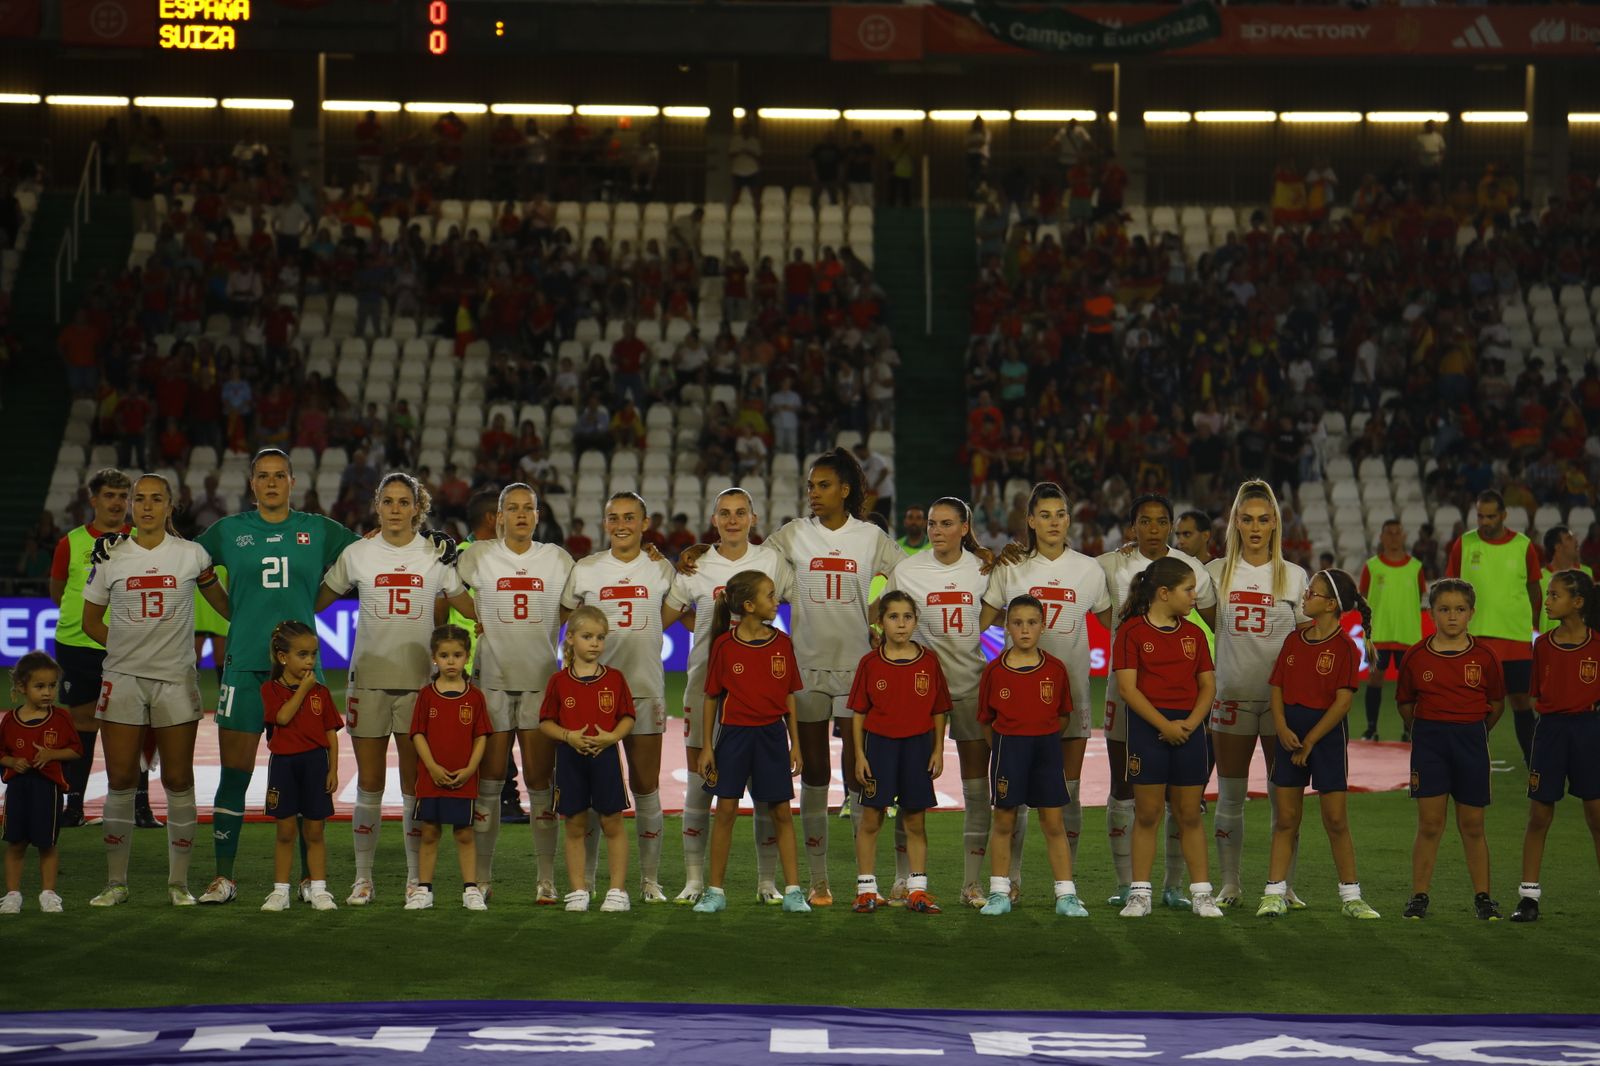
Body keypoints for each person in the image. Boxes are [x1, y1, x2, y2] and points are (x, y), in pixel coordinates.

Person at [680, 448, 903, 905]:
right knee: (815, 771)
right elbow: (743, 562)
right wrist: (702, 552)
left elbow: (906, 574)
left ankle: (868, 882)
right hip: (803, 669)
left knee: (861, 774)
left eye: (823, 486)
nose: (814, 494)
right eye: (810, 487)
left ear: (845, 489)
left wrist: (879, 617)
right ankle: (818, 881)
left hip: (859, 666)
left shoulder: (871, 537)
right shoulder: (792, 536)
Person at [190, 449, 362, 904]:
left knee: (308, 774)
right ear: (252, 484)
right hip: (245, 665)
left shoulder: (318, 529)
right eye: (262, 476)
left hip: (304, 671)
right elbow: (189, 561)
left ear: (292, 482)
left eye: (278, 476)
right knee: (235, 774)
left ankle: (309, 881)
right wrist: (235, 612)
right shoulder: (229, 531)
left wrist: (312, 606)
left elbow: (367, 552)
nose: (271, 483)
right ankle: (224, 879)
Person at [316, 472, 476, 906]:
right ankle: (362, 879)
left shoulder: (434, 554)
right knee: (369, 783)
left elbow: (471, 605)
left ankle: (413, 880)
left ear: (417, 509)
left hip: (417, 685)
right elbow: (317, 599)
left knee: (412, 786)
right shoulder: (358, 553)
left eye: (404, 502)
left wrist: (456, 561)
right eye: (388, 501)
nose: (395, 509)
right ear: (377, 506)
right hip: (367, 680)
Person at [82, 474, 228, 908]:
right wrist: (130, 650)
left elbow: (226, 606)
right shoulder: (110, 556)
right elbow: (91, 621)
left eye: (155, 499)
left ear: (170, 506)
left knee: (179, 779)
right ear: (130, 506)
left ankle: (178, 885)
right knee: (121, 778)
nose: (145, 506)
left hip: (176, 679)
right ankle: (115, 883)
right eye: (138, 499)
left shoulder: (192, 555)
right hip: (123, 678)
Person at [663, 488, 792, 905]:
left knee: (765, 793)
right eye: (725, 514)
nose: (733, 520)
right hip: (706, 688)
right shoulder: (697, 564)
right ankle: (696, 880)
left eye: (740, 513)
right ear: (714, 520)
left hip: (758, 698)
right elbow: (667, 613)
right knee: (703, 785)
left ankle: (767, 882)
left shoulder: (770, 560)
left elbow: (790, 599)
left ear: (753, 518)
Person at [982, 483, 1111, 887]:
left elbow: (1114, 624)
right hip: (1017, 702)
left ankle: (1066, 884)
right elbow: (980, 620)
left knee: (1067, 794)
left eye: (1061, 514)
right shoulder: (1011, 567)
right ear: (1031, 520)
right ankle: (1013, 880)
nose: (1054, 522)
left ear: (1069, 519)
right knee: (1013, 799)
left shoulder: (1089, 570)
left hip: (1069, 696)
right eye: (1046, 514)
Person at [1098, 496, 1217, 910]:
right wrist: (1165, 725)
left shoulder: (1194, 630)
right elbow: (1129, 687)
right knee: (1135, 801)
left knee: (1188, 810)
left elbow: (1208, 683)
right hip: (1142, 722)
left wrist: (1191, 722)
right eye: (1144, 521)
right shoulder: (1112, 572)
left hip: (1188, 726)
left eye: (1162, 521)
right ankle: (1134, 889)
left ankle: (1186, 889)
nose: (1154, 528)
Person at [457, 483, 573, 904]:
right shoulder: (477, 557)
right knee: (489, 782)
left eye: (529, 509)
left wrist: (550, 625)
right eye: (513, 509)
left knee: (540, 783)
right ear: (499, 516)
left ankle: (545, 879)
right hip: (491, 681)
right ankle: (482, 880)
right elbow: (448, 588)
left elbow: (574, 603)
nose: (522, 515)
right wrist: (481, 616)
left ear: (537, 516)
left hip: (541, 680)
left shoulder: (556, 559)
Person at [560, 491, 676, 904]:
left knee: (646, 787)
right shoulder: (586, 569)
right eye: (613, 518)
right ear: (604, 523)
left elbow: (682, 611)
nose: (622, 524)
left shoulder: (663, 570)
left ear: (645, 524)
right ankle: (586, 882)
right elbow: (562, 624)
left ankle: (649, 880)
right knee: (592, 793)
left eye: (630, 517)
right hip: (591, 698)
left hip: (644, 691)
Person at [1205, 480, 1310, 908]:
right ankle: (1230, 883)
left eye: (1263, 520)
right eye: (1246, 519)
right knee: (1231, 796)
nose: (1255, 527)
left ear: (1275, 525)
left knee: (1284, 800)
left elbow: (1307, 640)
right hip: (1231, 695)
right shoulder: (1214, 573)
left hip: (1281, 705)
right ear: (1235, 523)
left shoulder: (1295, 575)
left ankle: (1284, 885)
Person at [882, 498, 989, 907]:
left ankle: (972, 884)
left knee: (977, 790)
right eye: (931, 523)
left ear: (965, 528)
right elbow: (891, 617)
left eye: (946, 523)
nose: (937, 530)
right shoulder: (908, 570)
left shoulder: (983, 570)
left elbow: (1000, 613)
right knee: (907, 794)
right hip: (917, 695)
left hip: (969, 689)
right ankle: (901, 879)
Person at [1258, 569, 1381, 920]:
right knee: (1286, 819)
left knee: (1336, 819)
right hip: (1290, 735)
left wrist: (1310, 741)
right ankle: (1274, 893)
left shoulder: (1344, 647)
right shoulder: (1295, 639)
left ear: (1330, 604)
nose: (1305, 594)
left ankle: (1351, 896)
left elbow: (1342, 703)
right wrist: (1281, 728)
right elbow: (1277, 687)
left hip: (1324, 740)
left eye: (1313, 592)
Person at [692, 570, 809, 914]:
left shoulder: (782, 644)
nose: (776, 601)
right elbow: (712, 697)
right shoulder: (724, 646)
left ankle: (793, 891)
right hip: (734, 735)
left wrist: (795, 743)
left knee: (782, 812)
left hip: (772, 736)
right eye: (770, 595)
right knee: (725, 811)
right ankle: (715, 891)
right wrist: (707, 746)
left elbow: (789, 696)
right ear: (748, 605)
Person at [1397, 578, 1505, 921]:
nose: (1452, 617)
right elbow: (1405, 703)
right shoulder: (1415, 655)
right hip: (1430, 742)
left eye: (1460, 610)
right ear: (1431, 613)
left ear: (1472, 613)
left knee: (1473, 824)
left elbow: (1496, 703)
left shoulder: (1485, 656)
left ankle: (1483, 897)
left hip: (1470, 741)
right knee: (1430, 823)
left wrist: (1473, 730)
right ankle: (1418, 897)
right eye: (1444, 609)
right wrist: (1427, 731)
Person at [974, 595, 1085, 918]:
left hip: (1047, 749)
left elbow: (1063, 716)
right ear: (1007, 627)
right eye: (1018, 623)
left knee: (1053, 822)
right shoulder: (995, 671)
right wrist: (1005, 748)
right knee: (1004, 820)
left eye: (1032, 623)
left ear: (1043, 625)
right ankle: (998, 893)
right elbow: (985, 720)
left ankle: (1066, 895)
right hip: (1009, 750)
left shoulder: (1055, 668)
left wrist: (1043, 737)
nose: (1025, 630)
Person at [848, 592, 948, 914]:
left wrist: (938, 749)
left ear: (916, 621)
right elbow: (859, 713)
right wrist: (861, 756)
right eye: (893, 617)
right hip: (880, 747)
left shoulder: (929, 661)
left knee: (915, 821)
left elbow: (938, 710)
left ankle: (917, 890)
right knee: (871, 819)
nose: (901, 623)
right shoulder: (870, 663)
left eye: (907, 617)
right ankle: (866, 889)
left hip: (918, 748)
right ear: (881, 622)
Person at [50, 468, 138, 828]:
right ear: (94, 500)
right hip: (77, 645)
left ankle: (138, 806)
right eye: (109, 496)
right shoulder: (70, 542)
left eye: (122, 496)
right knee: (83, 724)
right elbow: (58, 591)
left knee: (133, 725)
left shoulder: (140, 539)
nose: (116, 503)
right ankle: (74, 805)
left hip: (127, 644)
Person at [1511, 570, 1600, 922]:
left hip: (1588, 732)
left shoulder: (1597, 646)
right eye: (1547, 595)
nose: (1546, 601)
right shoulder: (1542, 645)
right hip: (1549, 732)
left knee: (1596, 816)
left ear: (1577, 602)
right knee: (1539, 815)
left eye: (1554, 595)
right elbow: (1538, 694)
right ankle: (1528, 897)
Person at [537, 606, 635, 913]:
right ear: (571, 640)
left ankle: (618, 891)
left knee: (612, 821)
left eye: (600, 637)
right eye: (587, 636)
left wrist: (611, 737)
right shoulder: (559, 681)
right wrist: (569, 737)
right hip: (570, 759)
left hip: (606, 758)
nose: (595, 643)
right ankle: (578, 890)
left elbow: (628, 717)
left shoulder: (616, 679)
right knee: (575, 824)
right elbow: (546, 722)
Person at [1446, 490, 1540, 764]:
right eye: (1480, 516)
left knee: (1521, 703)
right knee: (1473, 704)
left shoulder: (1523, 545)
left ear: (1503, 516)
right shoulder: (1464, 544)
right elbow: (1450, 589)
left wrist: (1527, 622)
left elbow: (1535, 590)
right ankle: (1468, 756)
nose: (1484, 522)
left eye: (1490, 516)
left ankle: (1533, 759)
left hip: (1515, 640)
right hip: (1475, 641)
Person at [406, 625, 491, 912]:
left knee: (464, 833)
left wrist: (469, 769)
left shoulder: (475, 696)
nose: (451, 661)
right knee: (429, 831)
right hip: (432, 779)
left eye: (457, 655)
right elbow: (417, 733)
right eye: (444, 655)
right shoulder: (427, 695)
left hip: (463, 778)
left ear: (467, 657)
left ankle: (470, 889)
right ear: (434, 658)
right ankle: (424, 890)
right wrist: (430, 767)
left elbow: (481, 736)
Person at [258, 621, 341, 913]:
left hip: (316, 764)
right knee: (285, 831)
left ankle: (318, 888)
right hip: (284, 765)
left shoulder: (322, 692)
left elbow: (331, 733)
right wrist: (303, 690)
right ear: (283, 657)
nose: (310, 661)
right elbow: (281, 718)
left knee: (315, 831)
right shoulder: (270, 689)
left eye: (313, 654)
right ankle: (281, 891)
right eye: (302, 655)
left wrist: (333, 769)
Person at [0, 653, 80, 914]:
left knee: (47, 843)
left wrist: (52, 754)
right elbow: (1, 753)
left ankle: (49, 893)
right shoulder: (9, 721)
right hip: (18, 788)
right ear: (22, 687)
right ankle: (12, 895)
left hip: (48, 789)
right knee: (15, 843)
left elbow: (76, 750)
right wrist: (11, 761)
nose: (48, 692)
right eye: (40, 686)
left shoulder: (61, 718)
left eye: (52, 686)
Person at [1359, 519, 1426, 741]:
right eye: (1389, 533)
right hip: (1379, 635)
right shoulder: (1372, 566)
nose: (1394, 537)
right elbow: (1363, 599)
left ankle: (1409, 730)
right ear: (1381, 537)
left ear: (1404, 536)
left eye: (1398, 533)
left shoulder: (1416, 567)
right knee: (1375, 679)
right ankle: (1371, 729)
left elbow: (1420, 599)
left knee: (1408, 685)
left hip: (1408, 636)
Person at [1538, 525, 1593, 634]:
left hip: (1580, 642)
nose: (1576, 541)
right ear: (1558, 547)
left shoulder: (1587, 572)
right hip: (1549, 643)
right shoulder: (1540, 577)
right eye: (1569, 538)